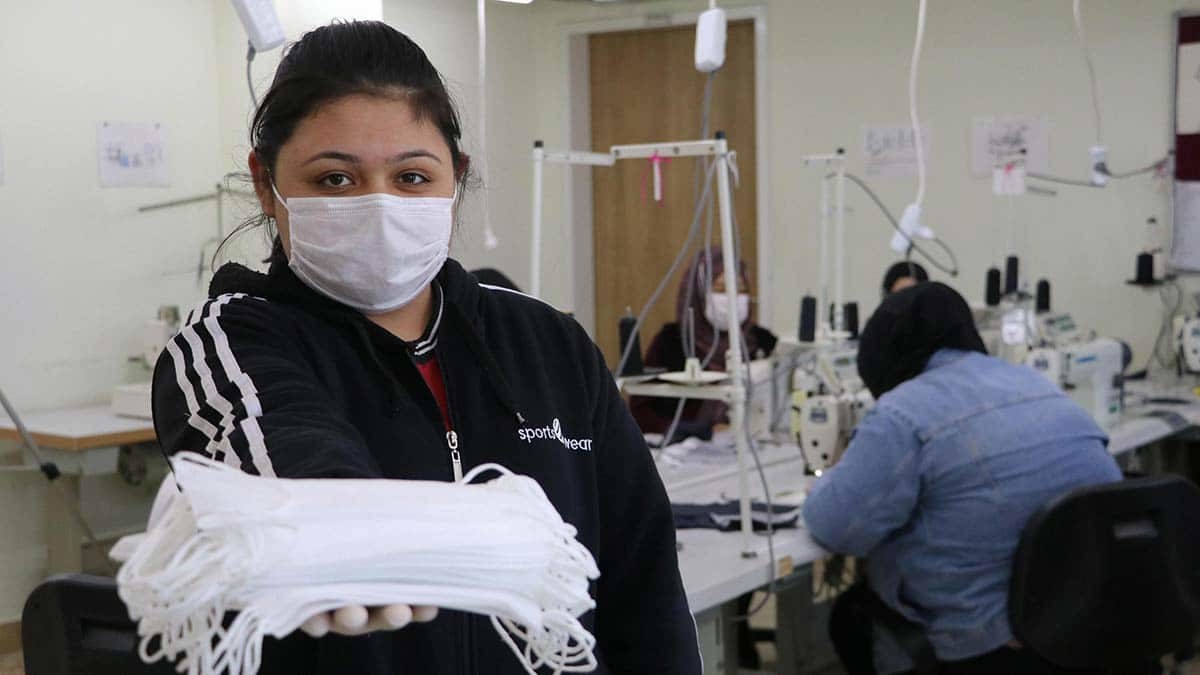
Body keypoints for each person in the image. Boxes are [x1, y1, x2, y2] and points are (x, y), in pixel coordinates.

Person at [151, 21, 699, 675]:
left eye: (411, 177)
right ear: (267, 185)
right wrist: (343, 542)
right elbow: (289, 456)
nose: (379, 206)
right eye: (335, 180)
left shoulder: (549, 345)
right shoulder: (227, 346)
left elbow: (645, 587)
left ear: (455, 179)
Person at [803, 282, 1121, 675]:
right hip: (1080, 626)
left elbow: (835, 525)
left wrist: (830, 477)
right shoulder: (1037, 384)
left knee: (849, 619)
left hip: (978, 648)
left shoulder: (902, 413)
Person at [630, 246, 777, 441]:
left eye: (740, 289)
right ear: (697, 293)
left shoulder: (762, 342)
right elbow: (639, 413)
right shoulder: (671, 342)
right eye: (720, 288)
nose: (732, 297)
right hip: (683, 455)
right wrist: (695, 429)